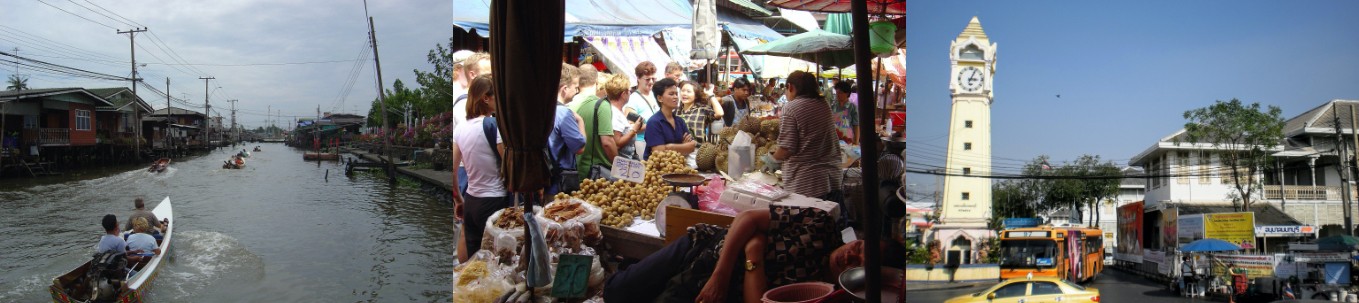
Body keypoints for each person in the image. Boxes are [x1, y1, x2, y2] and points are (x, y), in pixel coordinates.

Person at [603, 207, 907, 303]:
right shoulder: (820, 223)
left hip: (723, 293)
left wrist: (754, 252)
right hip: (704, 247)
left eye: (857, 264)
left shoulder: (820, 291)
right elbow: (747, 218)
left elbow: (756, 300)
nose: (849, 257)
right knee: (617, 291)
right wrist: (720, 275)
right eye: (858, 248)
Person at [451, 74, 512, 263]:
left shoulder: (460, 129)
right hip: (494, 200)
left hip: (471, 200)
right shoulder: (494, 125)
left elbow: (452, 170)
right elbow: (509, 163)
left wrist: (459, 199)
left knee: (471, 258)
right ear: (486, 98)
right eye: (497, 96)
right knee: (496, 258)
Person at [772, 71, 843, 203]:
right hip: (832, 178)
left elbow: (787, 148)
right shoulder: (824, 104)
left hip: (806, 185)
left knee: (808, 223)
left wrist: (772, 160)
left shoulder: (791, 108)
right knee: (829, 221)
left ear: (790, 87)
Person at [576, 74, 640, 173]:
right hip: (613, 167)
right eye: (629, 91)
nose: (630, 93)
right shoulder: (610, 110)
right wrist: (633, 130)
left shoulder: (614, 110)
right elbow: (613, 143)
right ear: (623, 94)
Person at [452, 52, 493, 196]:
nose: (492, 77)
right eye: (488, 73)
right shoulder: (464, 106)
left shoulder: (481, 104)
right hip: (473, 175)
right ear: (473, 75)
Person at [548, 63, 587, 196]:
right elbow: (579, 148)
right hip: (559, 184)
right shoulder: (564, 113)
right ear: (564, 89)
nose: (577, 91)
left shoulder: (542, 109)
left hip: (545, 180)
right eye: (575, 87)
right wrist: (580, 121)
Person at [642, 78, 696, 160]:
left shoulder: (680, 121)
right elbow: (659, 151)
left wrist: (669, 147)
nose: (676, 97)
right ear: (660, 98)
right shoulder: (654, 122)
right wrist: (682, 146)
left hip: (677, 166)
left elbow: (692, 146)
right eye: (671, 94)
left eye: (676, 94)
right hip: (657, 169)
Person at [676, 80, 723, 149]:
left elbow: (719, 113)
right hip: (679, 150)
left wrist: (711, 95)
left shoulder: (702, 109)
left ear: (696, 96)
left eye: (688, 91)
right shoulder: (676, 111)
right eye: (683, 91)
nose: (684, 94)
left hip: (698, 151)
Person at [626, 61, 658, 158]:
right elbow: (630, 127)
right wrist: (655, 125)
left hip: (657, 142)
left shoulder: (656, 95)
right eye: (647, 79)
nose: (651, 82)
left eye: (653, 78)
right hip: (641, 144)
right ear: (638, 79)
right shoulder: (633, 100)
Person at [831, 81, 860, 145]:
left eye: (840, 93)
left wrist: (856, 141)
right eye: (836, 93)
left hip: (848, 140)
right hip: (835, 139)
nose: (837, 95)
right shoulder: (833, 106)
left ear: (847, 93)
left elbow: (856, 125)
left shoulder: (852, 107)